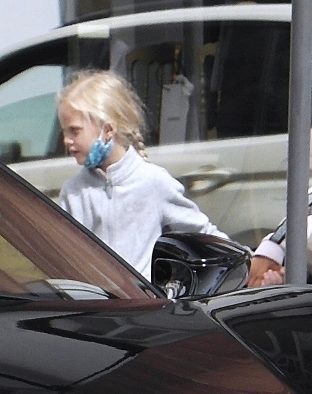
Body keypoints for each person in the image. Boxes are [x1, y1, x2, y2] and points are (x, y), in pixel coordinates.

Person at [52, 71, 225, 275]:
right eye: (64, 132)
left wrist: (250, 266)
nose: (66, 140)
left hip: (143, 303)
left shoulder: (152, 182)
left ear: (108, 130)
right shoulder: (73, 192)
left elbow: (203, 233)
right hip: (95, 303)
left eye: (74, 131)